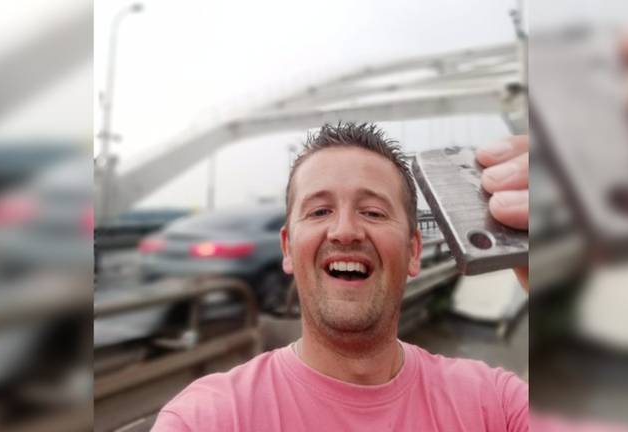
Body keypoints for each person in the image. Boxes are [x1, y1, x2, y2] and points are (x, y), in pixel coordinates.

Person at [151, 122, 528, 432]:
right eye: (319, 212)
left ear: (414, 251)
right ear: (287, 248)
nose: (345, 231)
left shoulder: (495, 406)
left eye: (374, 212)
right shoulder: (206, 419)